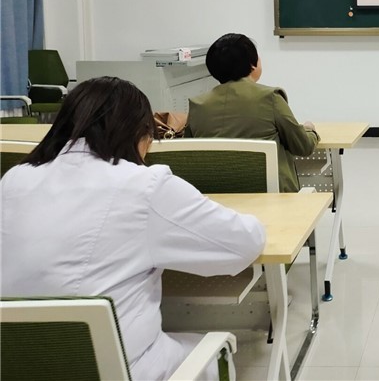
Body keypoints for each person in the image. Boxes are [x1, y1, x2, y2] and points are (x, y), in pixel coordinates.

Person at [1, 76, 266, 381]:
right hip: (117, 368)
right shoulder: (144, 185)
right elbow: (243, 243)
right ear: (140, 133)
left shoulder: (14, 179)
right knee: (211, 353)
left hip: (16, 365)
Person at [185, 33, 320, 193]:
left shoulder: (198, 105)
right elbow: (303, 146)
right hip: (273, 199)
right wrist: (309, 130)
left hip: (218, 200)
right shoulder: (270, 97)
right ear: (253, 64)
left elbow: (188, 156)